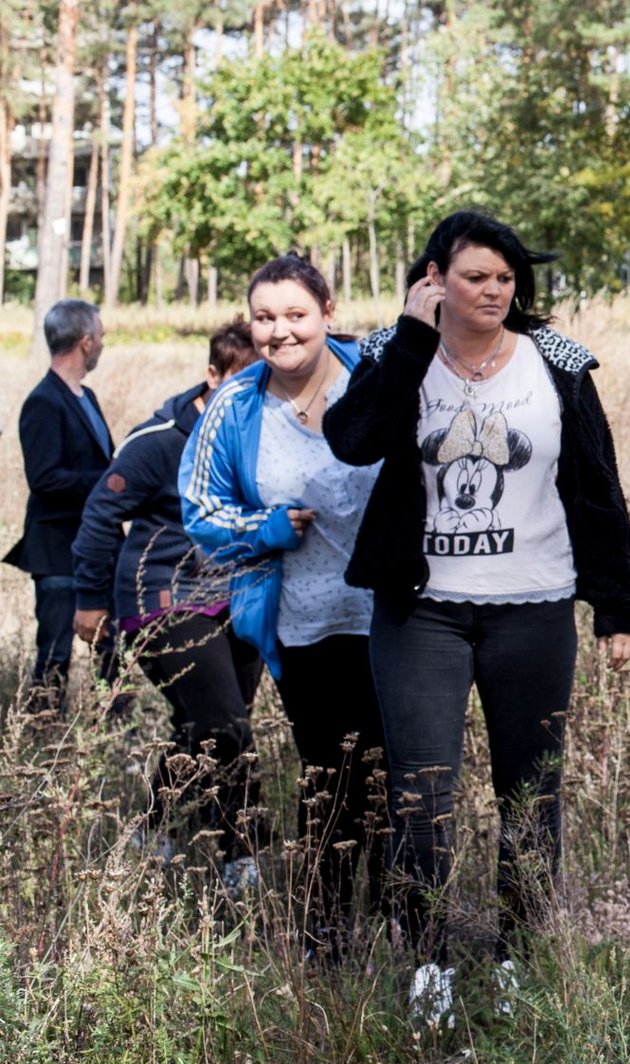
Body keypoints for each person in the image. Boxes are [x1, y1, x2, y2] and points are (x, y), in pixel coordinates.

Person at [323, 210, 630, 1024]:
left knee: (531, 794)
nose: (495, 290)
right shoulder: (386, 352)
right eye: (476, 277)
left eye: (505, 278)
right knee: (420, 795)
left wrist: (619, 608)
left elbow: (598, 485)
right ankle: (425, 962)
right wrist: (407, 335)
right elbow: (351, 440)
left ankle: (518, 956)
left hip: (533, 608)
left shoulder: (560, 360)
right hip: (422, 612)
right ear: (434, 279)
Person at [179, 255, 388, 959]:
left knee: (394, 776)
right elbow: (201, 510)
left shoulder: (379, 377)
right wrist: (261, 530)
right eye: (264, 318)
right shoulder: (238, 404)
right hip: (301, 627)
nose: (279, 331)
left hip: (394, 620)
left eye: (295, 314)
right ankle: (324, 935)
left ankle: (406, 934)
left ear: (328, 310)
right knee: (327, 778)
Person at [73, 320, 265, 888]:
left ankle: (154, 831)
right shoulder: (160, 439)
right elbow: (101, 513)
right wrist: (88, 601)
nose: (252, 394)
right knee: (226, 724)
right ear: (212, 375)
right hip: (163, 598)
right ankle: (240, 855)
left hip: (238, 599)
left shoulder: (268, 430)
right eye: (240, 381)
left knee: (204, 727)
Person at [4, 299, 124, 714]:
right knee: (54, 654)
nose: (104, 343)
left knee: (113, 650)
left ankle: (115, 733)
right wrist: (110, 481)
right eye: (102, 336)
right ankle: (43, 735)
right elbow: (44, 478)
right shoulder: (43, 402)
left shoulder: (85, 395)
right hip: (56, 551)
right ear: (86, 342)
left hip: (97, 547)